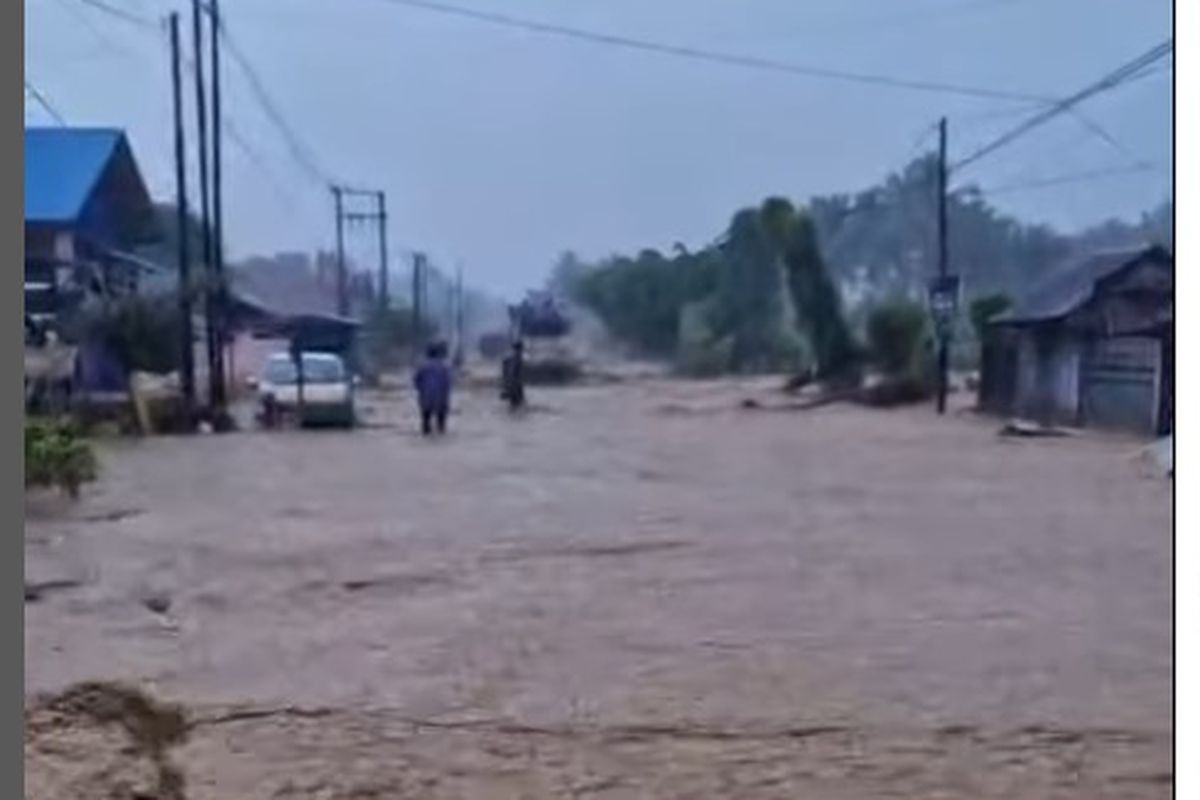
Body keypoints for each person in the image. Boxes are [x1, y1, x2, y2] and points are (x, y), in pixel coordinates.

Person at [413, 341, 452, 435]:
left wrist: (420, 390)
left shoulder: (422, 366)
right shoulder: (444, 366)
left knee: (425, 422)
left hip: (426, 397)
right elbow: (448, 383)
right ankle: (441, 433)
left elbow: (416, 381)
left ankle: (426, 434)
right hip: (441, 398)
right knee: (441, 424)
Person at [500, 339, 526, 411]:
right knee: (517, 405)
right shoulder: (516, 359)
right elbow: (512, 373)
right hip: (515, 385)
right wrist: (512, 387)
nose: (521, 351)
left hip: (515, 384)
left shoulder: (511, 358)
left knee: (517, 405)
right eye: (521, 349)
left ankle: (513, 417)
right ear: (519, 349)